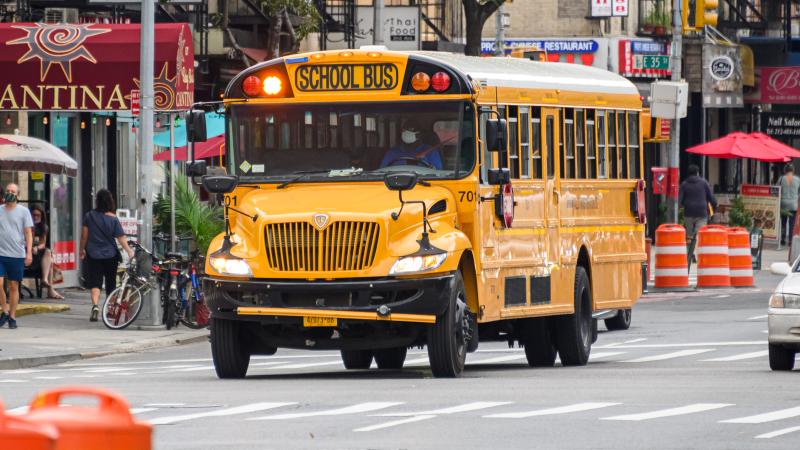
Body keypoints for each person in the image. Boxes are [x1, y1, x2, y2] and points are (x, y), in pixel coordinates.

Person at [80, 189, 133, 322]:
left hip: (93, 254)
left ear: (97, 200)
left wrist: (82, 249)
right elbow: (120, 237)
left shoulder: (89, 216)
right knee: (111, 283)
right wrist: (129, 251)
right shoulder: (113, 218)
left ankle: (95, 306)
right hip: (110, 255)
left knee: (95, 282)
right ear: (110, 201)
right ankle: (109, 309)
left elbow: (84, 236)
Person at [0, 183, 33, 329]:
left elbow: (28, 233)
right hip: (0, 253)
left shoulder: (23, 212)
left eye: (13, 191)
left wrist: (29, 252)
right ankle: (4, 310)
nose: (10, 193)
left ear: (18, 195)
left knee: (14, 286)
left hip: (16, 254)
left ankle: (12, 316)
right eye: (8, 191)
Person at [30, 205, 64, 299]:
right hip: (27, 254)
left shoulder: (43, 227)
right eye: (34, 215)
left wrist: (36, 247)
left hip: (37, 253)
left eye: (38, 215)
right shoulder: (27, 225)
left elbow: (42, 243)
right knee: (51, 261)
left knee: (48, 253)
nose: (36, 217)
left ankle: (45, 280)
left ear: (42, 216)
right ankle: (50, 289)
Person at [679, 165, 718, 244]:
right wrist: (714, 208)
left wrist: (684, 205)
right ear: (697, 173)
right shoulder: (704, 183)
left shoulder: (684, 184)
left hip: (688, 212)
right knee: (699, 235)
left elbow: (679, 200)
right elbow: (711, 198)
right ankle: (697, 253)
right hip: (702, 212)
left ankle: (690, 254)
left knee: (689, 236)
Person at [778, 164, 800, 245]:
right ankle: (790, 240)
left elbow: (776, 189)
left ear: (785, 170)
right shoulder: (798, 179)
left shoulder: (781, 179)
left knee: (783, 222)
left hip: (783, 204)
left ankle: (783, 239)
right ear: (793, 170)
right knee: (792, 223)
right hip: (793, 204)